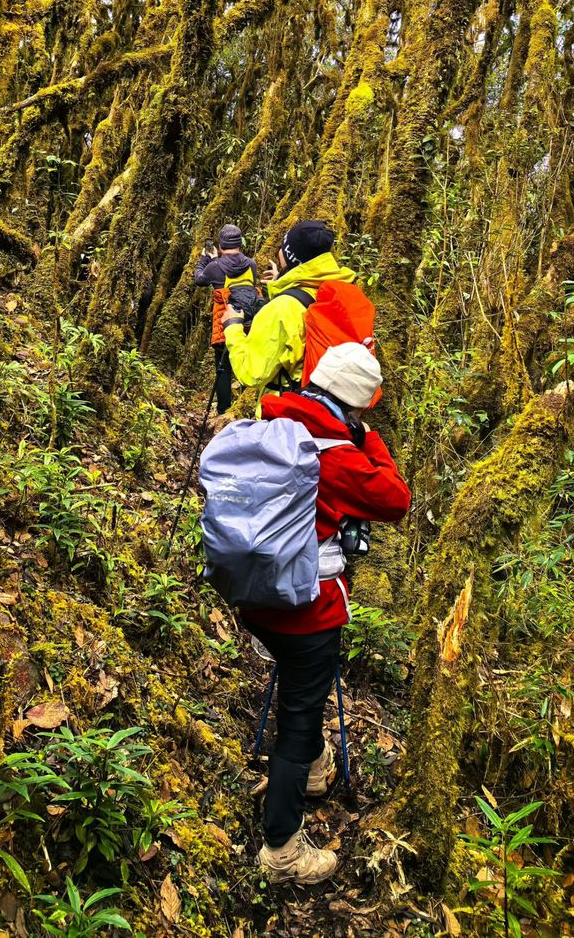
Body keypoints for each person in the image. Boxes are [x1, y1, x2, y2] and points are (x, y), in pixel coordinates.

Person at [242, 341, 410, 885]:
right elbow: (396, 499)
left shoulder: (273, 418)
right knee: (299, 716)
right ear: (357, 405)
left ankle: (313, 772)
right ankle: (282, 852)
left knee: (297, 687)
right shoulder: (337, 452)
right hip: (308, 608)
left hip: (253, 596)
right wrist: (369, 438)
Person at [222, 220, 355, 404]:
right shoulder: (340, 292)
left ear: (289, 256)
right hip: (333, 412)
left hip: (288, 416)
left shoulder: (282, 308)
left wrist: (232, 326)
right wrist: (283, 282)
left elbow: (252, 373)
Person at [193, 224, 257, 415]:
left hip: (225, 320)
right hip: (247, 321)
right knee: (247, 361)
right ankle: (246, 408)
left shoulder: (215, 266)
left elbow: (199, 279)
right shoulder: (251, 264)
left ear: (221, 246)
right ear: (240, 243)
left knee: (223, 369)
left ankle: (223, 411)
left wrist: (205, 259)